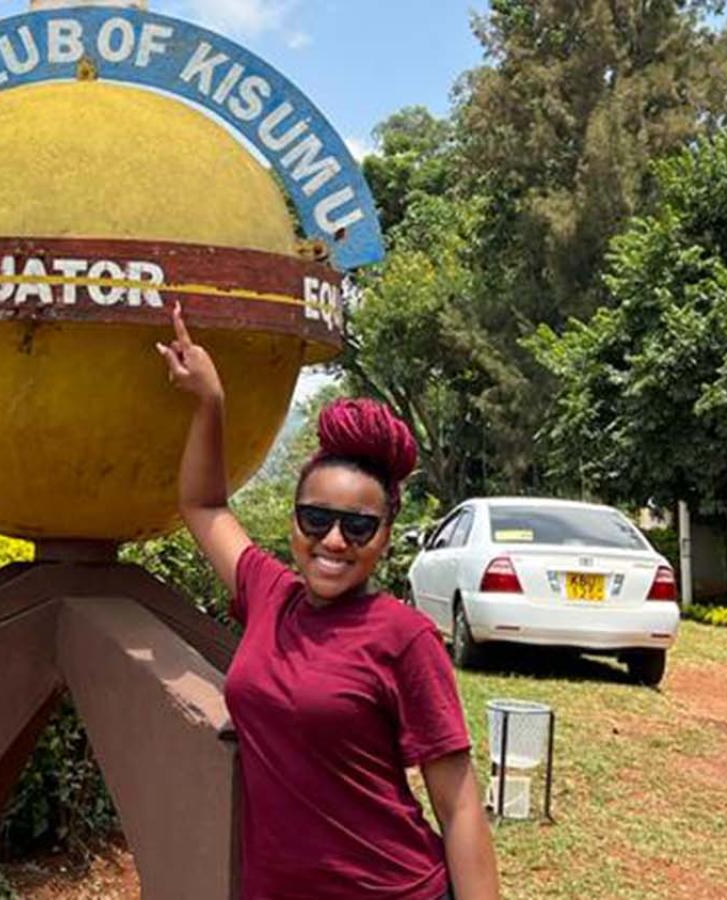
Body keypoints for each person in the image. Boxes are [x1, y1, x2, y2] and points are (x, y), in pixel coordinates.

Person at [157, 304, 499, 900]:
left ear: (386, 536)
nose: (334, 541)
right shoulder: (269, 594)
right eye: (316, 519)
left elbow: (460, 802)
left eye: (359, 526)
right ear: (294, 523)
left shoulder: (404, 637)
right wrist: (210, 400)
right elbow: (204, 506)